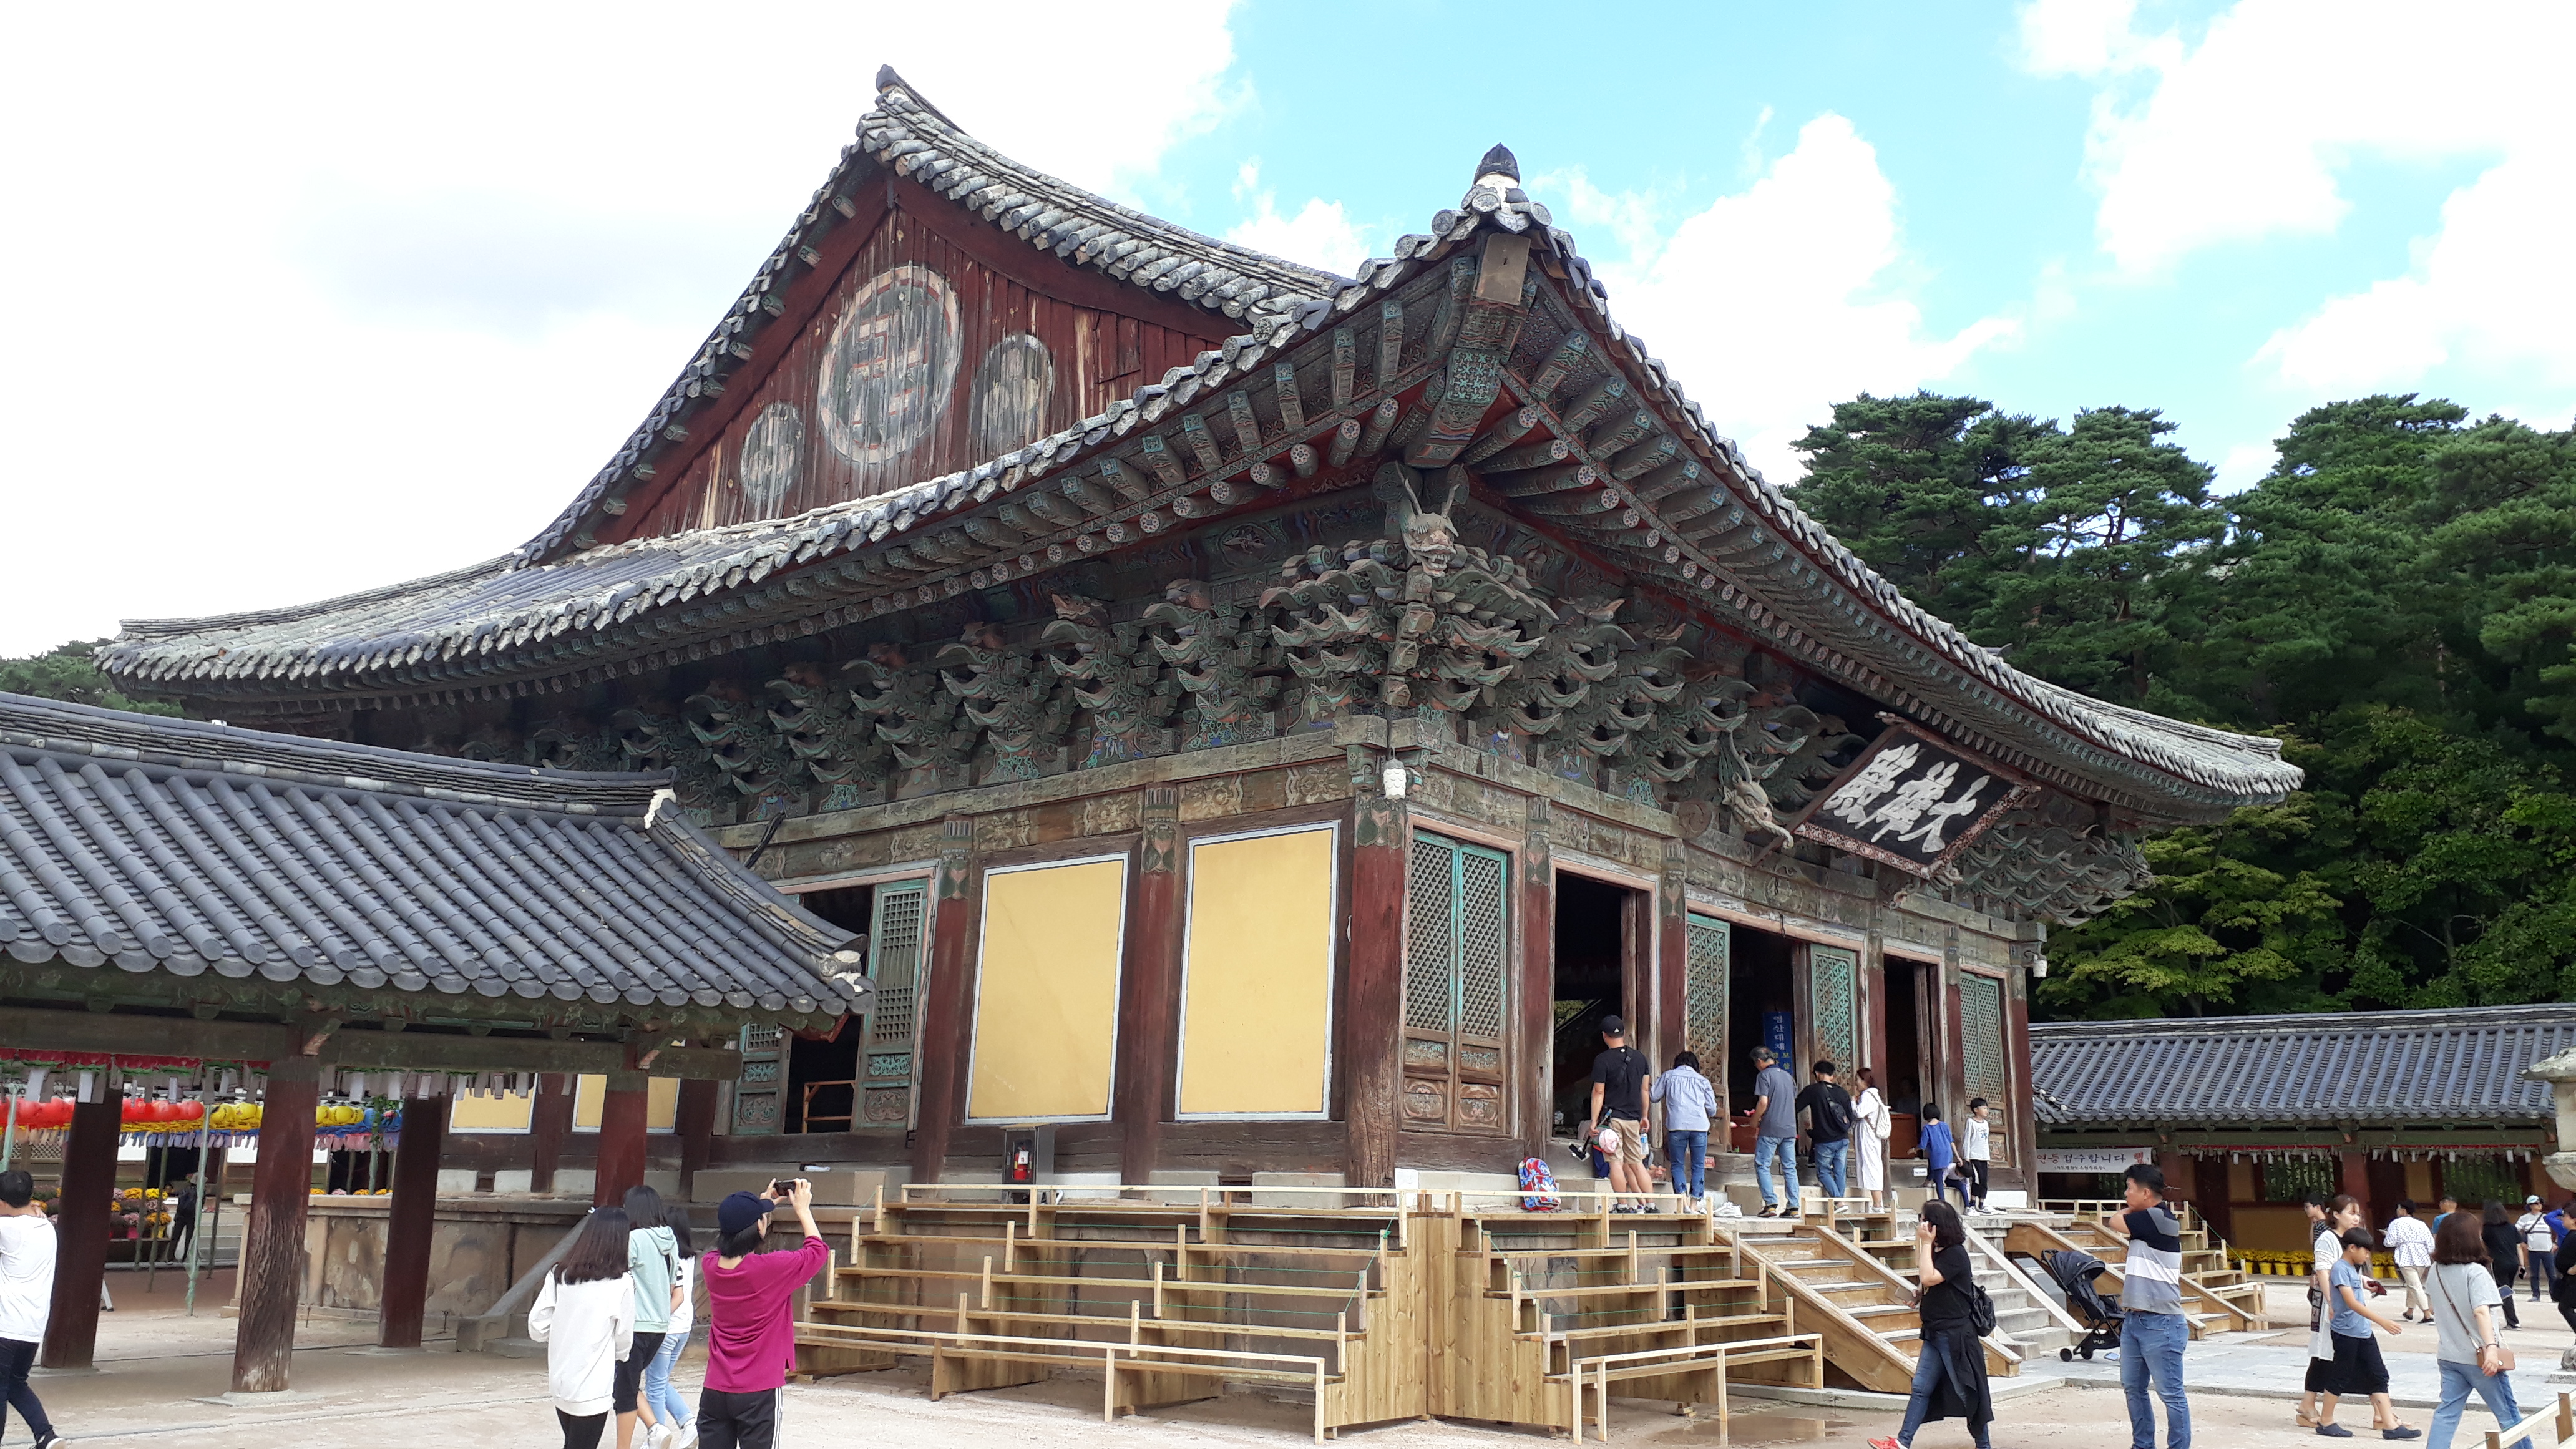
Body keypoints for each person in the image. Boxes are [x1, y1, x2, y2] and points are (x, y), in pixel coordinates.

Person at [699, 1180, 827, 1449]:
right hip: (759, 1388)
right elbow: (817, 1252)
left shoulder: (711, 1265)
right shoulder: (771, 1269)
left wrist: (759, 1211)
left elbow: (729, 1247)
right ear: (759, 1226)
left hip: (716, 1388)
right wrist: (803, 1210)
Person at [1867, 1200, 1992, 1449]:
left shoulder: (1955, 1253)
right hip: (1935, 1331)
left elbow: (1929, 1276)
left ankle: (1984, 1444)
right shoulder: (1938, 1250)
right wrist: (1921, 1293)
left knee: (1967, 1391)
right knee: (1921, 1388)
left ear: (1936, 1225)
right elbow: (1926, 1279)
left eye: (1924, 1219)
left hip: (1955, 1334)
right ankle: (1902, 1442)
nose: (1920, 1224)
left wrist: (1925, 1244)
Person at [2099, 1163, 2190, 1449]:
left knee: (2171, 1394)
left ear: (2147, 1193)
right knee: (2133, 1388)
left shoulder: (2156, 1217)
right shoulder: (2149, 1216)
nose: (2126, 1194)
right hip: (2136, 1319)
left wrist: (2131, 1208)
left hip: (2161, 1321)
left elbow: (2113, 1222)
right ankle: (2142, 1445)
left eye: (2130, 1189)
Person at [531, 1206, 638, 1449]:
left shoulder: (560, 1274)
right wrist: (618, 1355)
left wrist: (565, 1330)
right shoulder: (621, 1283)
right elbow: (624, 1339)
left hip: (561, 1380)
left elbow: (537, 1326)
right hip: (593, 1384)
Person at [2424, 1209, 2530, 1449]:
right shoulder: (2475, 1272)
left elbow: (2433, 1306)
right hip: (2480, 1358)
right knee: (2508, 1415)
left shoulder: (2435, 1271)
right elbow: (2481, 1311)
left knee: (2447, 1414)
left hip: (2449, 1354)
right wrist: (2491, 1347)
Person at [2317, 1226, 2418, 1440]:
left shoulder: (2354, 1269)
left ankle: (2389, 1425)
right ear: (2352, 1248)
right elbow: (2351, 1302)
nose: (2367, 1255)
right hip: (2346, 1333)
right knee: (2341, 1375)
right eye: (2365, 1250)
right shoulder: (2340, 1269)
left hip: (2362, 1331)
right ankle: (2325, 1421)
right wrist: (2382, 1321)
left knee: (2378, 1374)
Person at [0, 1169, 62, 1449]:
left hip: (6, 1325)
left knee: (2, 1388)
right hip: (33, 1326)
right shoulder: (46, 1227)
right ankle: (46, 1435)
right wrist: (35, 1207)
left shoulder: (8, 1230)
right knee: (16, 1384)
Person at [620, 1186, 685, 1449]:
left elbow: (617, 1275)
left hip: (635, 1324)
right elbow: (672, 1288)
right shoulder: (670, 1241)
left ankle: (653, 1429)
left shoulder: (634, 1239)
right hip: (660, 1326)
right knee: (627, 1382)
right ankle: (655, 1427)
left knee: (624, 1388)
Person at [2299, 1194, 2363, 1430]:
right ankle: (2382, 1411)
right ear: (2336, 1215)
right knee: (2327, 1351)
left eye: (2358, 1214)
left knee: (2327, 1353)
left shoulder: (2349, 1239)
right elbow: (2324, 1271)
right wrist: (2332, 1301)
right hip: (2331, 1302)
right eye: (2351, 1213)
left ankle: (2308, 1402)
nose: (2356, 1218)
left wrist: (2363, 1283)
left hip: (2343, 1301)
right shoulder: (2328, 1238)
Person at [642, 1211, 699, 1449]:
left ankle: (657, 1434)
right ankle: (688, 1424)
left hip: (666, 1327)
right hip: (684, 1326)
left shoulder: (667, 1256)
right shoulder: (690, 1257)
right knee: (660, 1380)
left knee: (654, 1384)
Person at [1588, 1017, 1655, 1213]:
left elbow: (1599, 1092)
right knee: (1637, 1163)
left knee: (1615, 1162)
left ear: (1604, 1036)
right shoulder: (1641, 1058)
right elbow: (1645, 1090)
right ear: (1623, 1033)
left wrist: (1594, 1120)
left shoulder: (1603, 1060)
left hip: (1613, 1119)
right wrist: (1645, 1115)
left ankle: (1623, 1205)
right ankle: (1650, 1204)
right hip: (1634, 1119)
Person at [1649, 1050, 1717, 1211]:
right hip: (1700, 1127)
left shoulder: (1669, 1076)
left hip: (1677, 1126)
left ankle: (1683, 1203)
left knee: (1677, 1165)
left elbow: (1654, 1096)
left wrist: (1649, 1082)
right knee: (1698, 1165)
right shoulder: (1703, 1081)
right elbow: (1712, 1109)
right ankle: (1694, 1206)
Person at [1745, 1047, 1800, 1218]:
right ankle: (1794, 1207)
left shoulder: (1764, 1076)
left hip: (1770, 1128)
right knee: (1790, 1168)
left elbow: (1763, 1102)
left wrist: (1754, 1121)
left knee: (1763, 1165)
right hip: (1789, 1128)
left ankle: (1770, 1204)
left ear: (1759, 1062)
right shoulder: (1788, 1077)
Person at [1795, 1061, 1856, 1201]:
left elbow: (1795, 1108)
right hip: (1843, 1139)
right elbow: (1851, 1117)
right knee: (1840, 1173)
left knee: (1823, 1172)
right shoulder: (1843, 1093)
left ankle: (1839, 1202)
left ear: (1817, 1074)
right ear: (1832, 1075)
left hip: (1825, 1140)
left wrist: (1811, 1131)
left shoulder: (1812, 1090)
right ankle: (1839, 1203)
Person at [1853, 1066, 1894, 1211]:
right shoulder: (1876, 1095)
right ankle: (1878, 1203)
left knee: (1871, 1166)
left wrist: (1853, 1102)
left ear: (1865, 1081)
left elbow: (1859, 1113)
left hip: (1868, 1134)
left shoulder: (1868, 1095)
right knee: (1874, 1165)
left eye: (1858, 1080)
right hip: (1872, 1134)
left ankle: (1877, 1204)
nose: (1857, 1083)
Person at [2385, 1203, 2433, 1322]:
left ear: (2404, 1210)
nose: (2397, 1211)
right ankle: (2409, 1312)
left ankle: (2427, 1314)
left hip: (2406, 1256)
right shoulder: (2421, 1224)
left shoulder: (2395, 1223)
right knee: (2413, 1284)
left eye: (2399, 1208)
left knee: (2415, 1285)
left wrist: (2386, 1235)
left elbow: (2389, 1242)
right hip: (2422, 1256)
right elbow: (2430, 1242)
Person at [2479, 1203, 2521, 1329]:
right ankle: (2512, 1319)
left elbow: (2483, 1246)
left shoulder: (2487, 1229)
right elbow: (2518, 1245)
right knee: (2507, 1291)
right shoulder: (2511, 1227)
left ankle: (2513, 1321)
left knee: (2504, 1292)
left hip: (2498, 1262)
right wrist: (2522, 1263)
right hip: (2513, 1262)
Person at [1919, 1106, 1960, 1212]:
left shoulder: (1927, 1128)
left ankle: (1942, 1202)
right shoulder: (1944, 1125)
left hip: (1936, 1154)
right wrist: (1958, 1156)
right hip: (1948, 1152)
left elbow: (1923, 1145)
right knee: (1938, 1171)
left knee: (1939, 1179)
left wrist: (1914, 1149)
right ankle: (1928, 1181)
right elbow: (1951, 1141)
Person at [2519, 1196, 2555, 1305]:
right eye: (2537, 1203)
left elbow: (2558, 1230)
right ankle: (2535, 1295)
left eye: (2540, 1203)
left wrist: (2556, 1243)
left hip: (2548, 1250)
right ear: (2530, 1206)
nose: (2539, 1205)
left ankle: (2554, 1295)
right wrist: (2522, 1243)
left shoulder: (2547, 1218)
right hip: (2533, 1250)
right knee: (2534, 1274)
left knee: (2552, 1275)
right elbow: (2516, 1231)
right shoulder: (2524, 1218)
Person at [1959, 1098, 1993, 1214]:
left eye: (1986, 1108)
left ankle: (1982, 1203)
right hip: (1974, 1156)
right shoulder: (1971, 1122)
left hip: (1984, 1156)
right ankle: (1973, 1202)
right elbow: (1967, 1139)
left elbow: (1986, 1141)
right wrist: (1966, 1156)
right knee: (1977, 1179)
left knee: (1984, 1180)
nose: (1986, 1111)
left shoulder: (1986, 1124)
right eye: (1984, 1108)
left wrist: (1988, 1157)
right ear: (1976, 1110)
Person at [168, 1172, 199, 1264]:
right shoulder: (200, 1192)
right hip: (191, 1216)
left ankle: (170, 1257)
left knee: (175, 1236)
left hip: (180, 1215)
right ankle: (185, 1257)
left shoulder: (184, 1189)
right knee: (189, 1237)